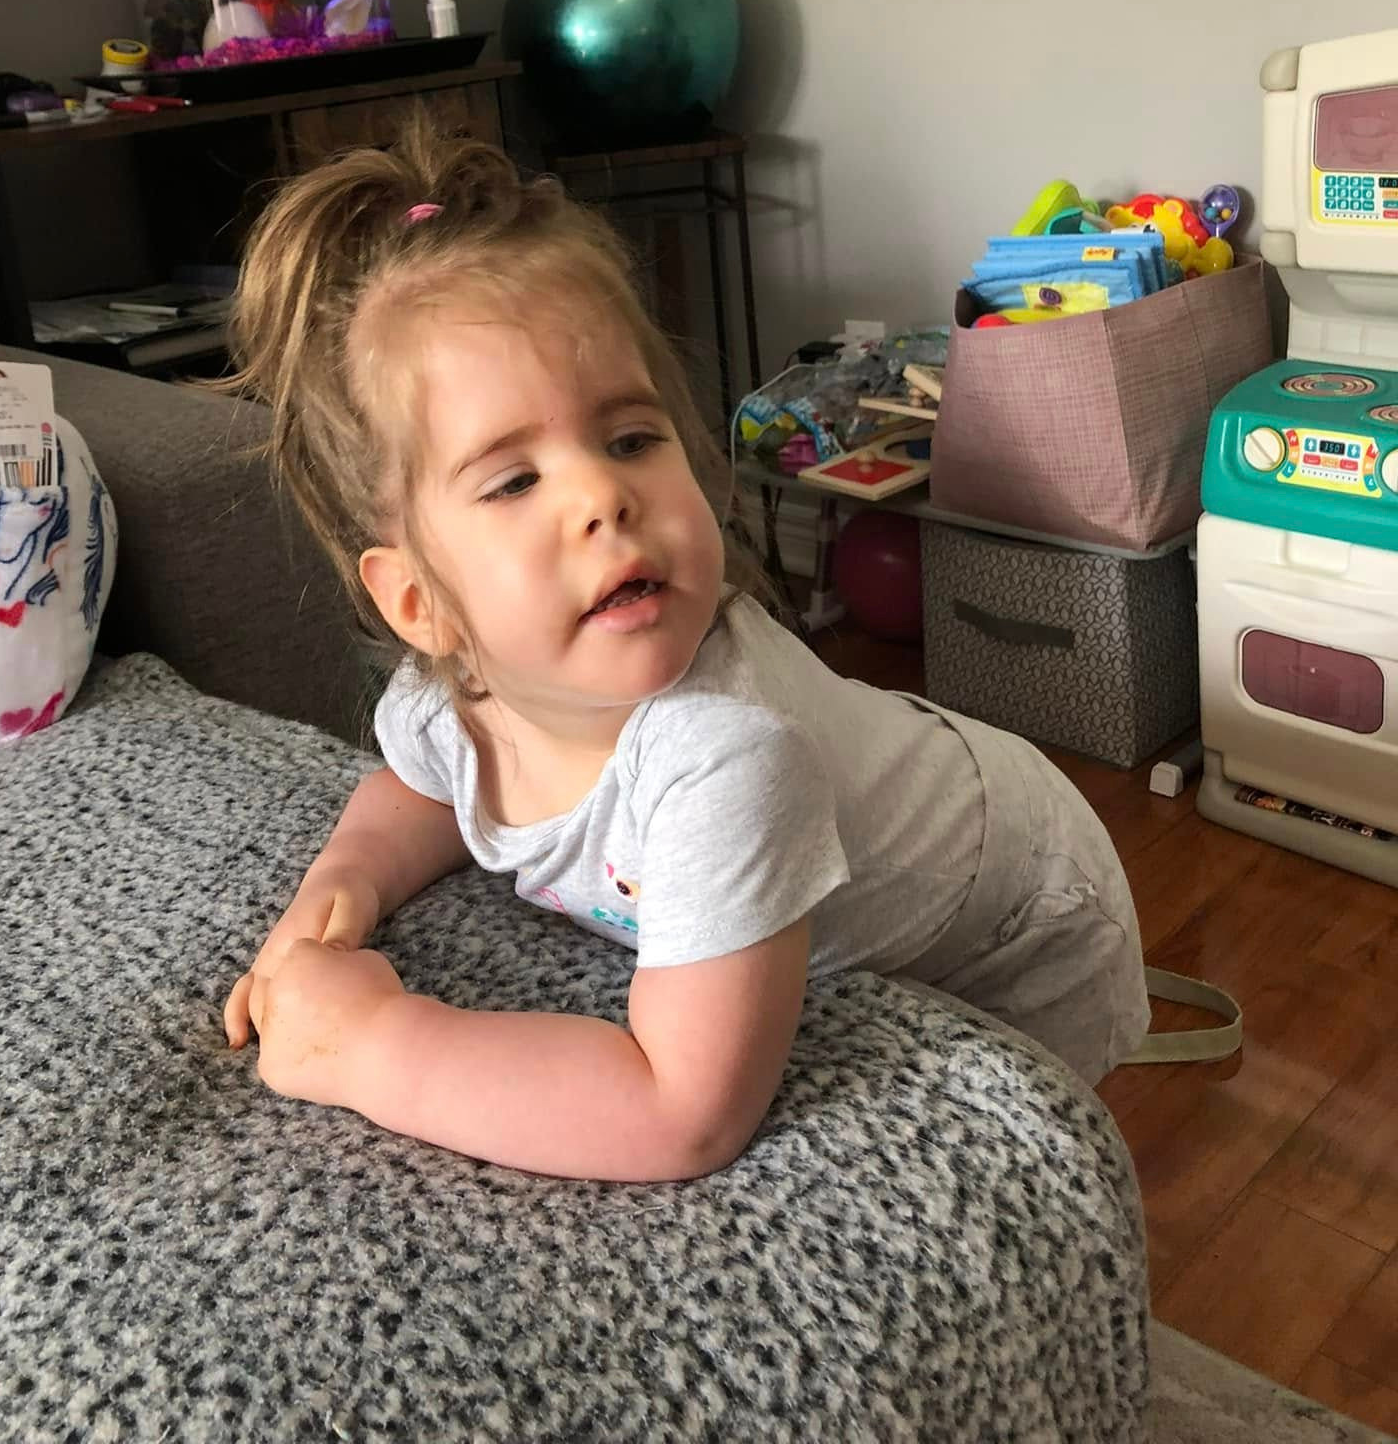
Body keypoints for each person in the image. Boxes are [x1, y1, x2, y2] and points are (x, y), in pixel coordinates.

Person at [221, 112, 1151, 1180]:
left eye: (630, 438)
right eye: (513, 480)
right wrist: (346, 879)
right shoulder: (451, 694)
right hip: (897, 813)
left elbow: (681, 1113)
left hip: (1017, 913)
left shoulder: (727, 755)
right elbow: (427, 784)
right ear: (420, 603)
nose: (602, 494)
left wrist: (372, 1043)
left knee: (1027, 1170)